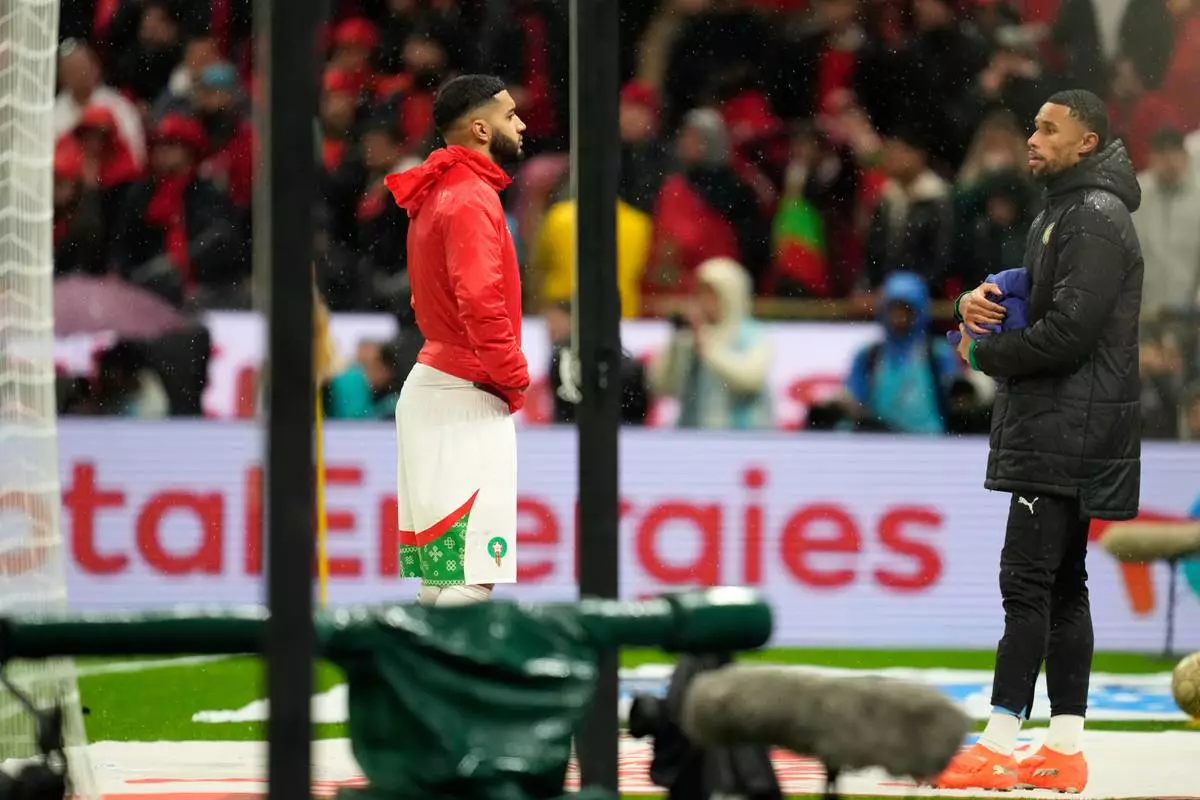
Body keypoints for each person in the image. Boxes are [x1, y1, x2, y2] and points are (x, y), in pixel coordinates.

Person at [937, 90, 1144, 793]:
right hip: (1076, 422)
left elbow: (1068, 332)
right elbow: (1040, 293)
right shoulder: (1072, 210)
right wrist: (978, 297)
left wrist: (980, 354)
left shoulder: (1090, 217)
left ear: (1086, 143)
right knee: (1061, 587)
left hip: (1066, 424)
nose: (1031, 137)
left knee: (1025, 583)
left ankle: (999, 741)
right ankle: (1063, 747)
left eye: (1048, 129)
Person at [383, 75, 528, 608]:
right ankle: (456, 694)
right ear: (481, 127)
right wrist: (513, 373)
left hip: (434, 387)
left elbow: (432, 302)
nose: (523, 124)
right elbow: (480, 301)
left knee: (444, 576)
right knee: (471, 575)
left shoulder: (439, 190)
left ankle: (425, 692)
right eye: (512, 115)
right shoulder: (470, 196)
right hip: (464, 392)